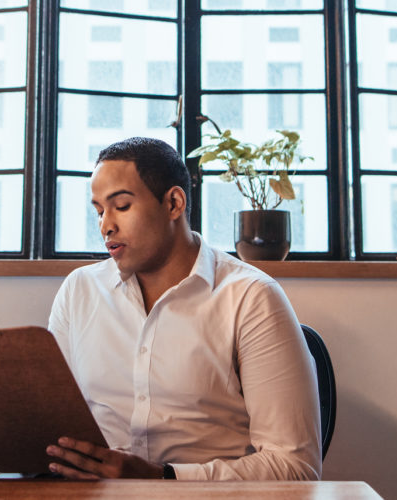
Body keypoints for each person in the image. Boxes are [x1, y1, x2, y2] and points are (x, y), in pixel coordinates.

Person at [44, 137, 321, 481]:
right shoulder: (79, 290)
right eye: (100, 211)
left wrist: (164, 477)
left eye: (122, 206)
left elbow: (296, 467)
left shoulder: (252, 298)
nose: (106, 226)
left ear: (173, 203)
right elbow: (51, 423)